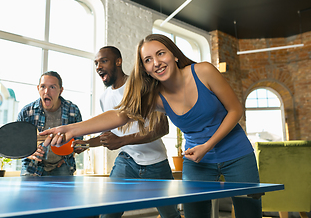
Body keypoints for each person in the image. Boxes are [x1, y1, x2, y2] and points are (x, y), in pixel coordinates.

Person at [40, 34, 262, 218]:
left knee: (249, 214)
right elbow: (119, 115)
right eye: (147, 60)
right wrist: (70, 129)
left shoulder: (203, 71)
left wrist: (208, 145)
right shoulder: (155, 97)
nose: (156, 62)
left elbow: (235, 110)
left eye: (160, 53)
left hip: (236, 154)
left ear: (174, 54)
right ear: (145, 69)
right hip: (198, 161)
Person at [73, 46, 181, 218]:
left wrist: (123, 141)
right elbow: (109, 134)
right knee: (108, 214)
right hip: (126, 161)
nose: (98, 66)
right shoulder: (104, 98)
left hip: (156, 162)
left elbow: (162, 127)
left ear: (118, 61)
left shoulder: (143, 87)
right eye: (96, 63)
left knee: (170, 215)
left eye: (103, 61)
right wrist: (86, 144)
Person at [18, 71, 83, 176]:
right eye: (43, 87)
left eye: (52, 87)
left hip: (62, 165)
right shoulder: (27, 112)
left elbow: (78, 140)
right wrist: (29, 153)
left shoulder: (73, 110)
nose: (46, 92)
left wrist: (68, 155)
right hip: (32, 167)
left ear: (61, 90)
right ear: (38, 88)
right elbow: (17, 143)